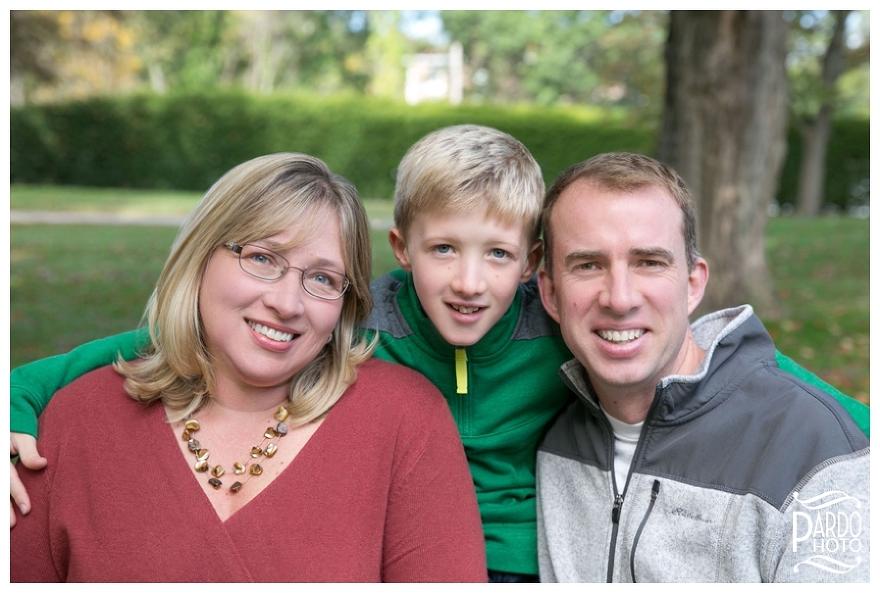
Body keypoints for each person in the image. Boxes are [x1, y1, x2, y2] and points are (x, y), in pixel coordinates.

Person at [9, 128, 871, 581]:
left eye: (497, 255)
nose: (467, 282)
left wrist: (856, 432)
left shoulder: (557, 328)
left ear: (529, 266)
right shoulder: (352, 324)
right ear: (398, 249)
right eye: (442, 251)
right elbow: (129, 352)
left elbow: (723, 362)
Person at [10, 153, 487, 582]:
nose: (286, 302)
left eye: (323, 278)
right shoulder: (71, 423)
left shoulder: (405, 419)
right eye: (262, 258)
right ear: (199, 256)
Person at [534, 152, 870, 582]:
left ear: (693, 285)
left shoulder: (814, 451)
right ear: (549, 293)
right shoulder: (551, 437)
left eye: (649, 263)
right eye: (588, 265)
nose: (619, 298)